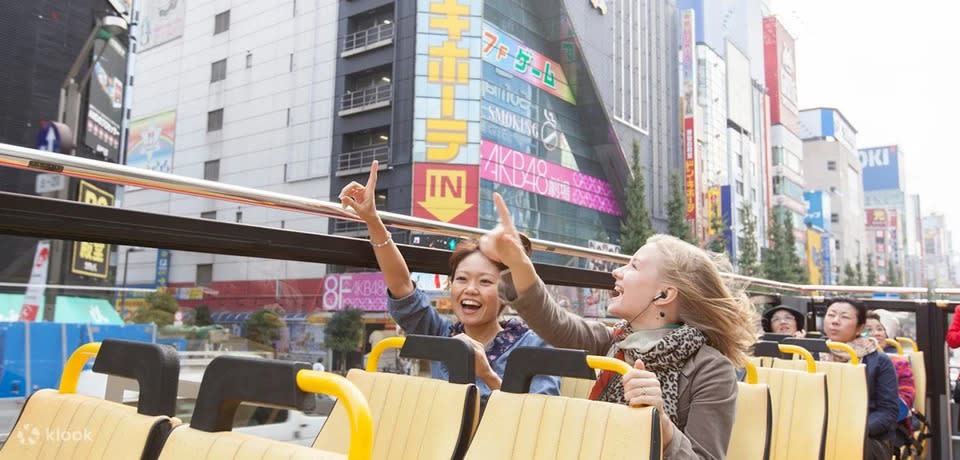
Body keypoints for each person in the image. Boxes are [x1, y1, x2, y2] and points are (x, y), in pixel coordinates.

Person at [480, 192, 757, 459]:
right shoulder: (614, 340)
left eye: (633, 266)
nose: (617, 271)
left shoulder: (712, 369)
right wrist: (518, 262)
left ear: (664, 294)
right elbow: (555, 323)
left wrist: (660, 422)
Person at [338, 161, 559, 405]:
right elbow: (402, 287)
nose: (470, 289)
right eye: (461, 279)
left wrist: (487, 376)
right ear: (450, 285)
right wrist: (372, 220)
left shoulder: (535, 344)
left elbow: (540, 418)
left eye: (485, 281)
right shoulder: (442, 336)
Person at [820, 298, 900, 459]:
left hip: (867, 435)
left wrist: (855, 430)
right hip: (820, 431)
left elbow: (888, 411)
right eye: (831, 315)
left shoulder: (879, 361)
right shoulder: (811, 354)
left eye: (844, 317)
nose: (835, 321)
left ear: (860, 328)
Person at [866, 310, 916, 431]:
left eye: (880, 329)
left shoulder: (899, 363)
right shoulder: (852, 361)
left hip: (891, 426)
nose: (876, 334)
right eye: (868, 330)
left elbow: (905, 401)